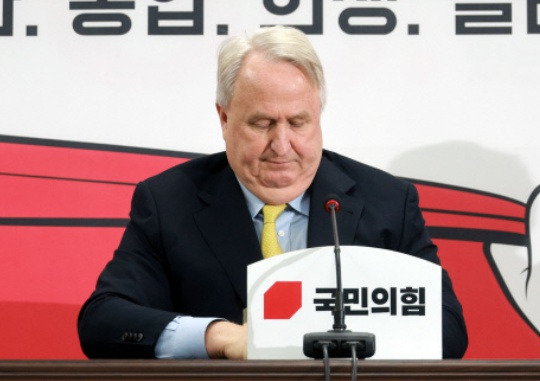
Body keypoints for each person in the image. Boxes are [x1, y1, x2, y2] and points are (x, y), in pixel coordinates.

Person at [78, 25, 468, 359]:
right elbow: (103, 321)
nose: (282, 146)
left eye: (298, 122)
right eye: (262, 123)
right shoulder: (169, 203)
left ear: (318, 115)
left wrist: (339, 343)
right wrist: (218, 337)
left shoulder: (386, 203)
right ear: (225, 118)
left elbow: (448, 331)